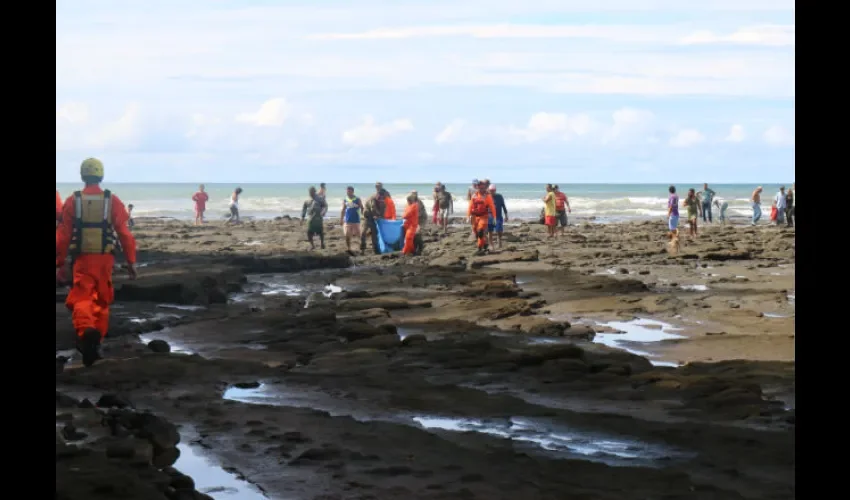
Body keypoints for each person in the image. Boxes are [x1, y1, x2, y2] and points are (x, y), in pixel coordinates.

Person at [56, 158, 138, 367]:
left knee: (81, 297)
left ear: (83, 176)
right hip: (105, 259)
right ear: (100, 176)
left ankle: (86, 332)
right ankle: (96, 343)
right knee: (102, 300)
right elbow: (124, 233)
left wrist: (59, 262)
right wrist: (131, 261)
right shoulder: (113, 201)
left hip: (82, 259)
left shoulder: (73, 201)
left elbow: (63, 235)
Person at [467, 181, 497, 254]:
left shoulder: (487, 196)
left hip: (484, 216)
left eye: (483, 188)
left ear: (485, 188)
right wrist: (468, 216)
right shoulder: (474, 196)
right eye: (479, 188)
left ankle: (479, 248)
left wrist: (494, 217)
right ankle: (485, 245)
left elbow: (492, 207)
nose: (481, 189)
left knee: (480, 231)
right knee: (477, 233)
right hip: (475, 217)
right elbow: (470, 206)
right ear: (477, 187)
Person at [360, 190, 385, 254]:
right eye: (379, 197)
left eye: (382, 197)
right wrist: (376, 215)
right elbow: (373, 208)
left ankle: (376, 250)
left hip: (375, 219)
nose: (381, 199)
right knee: (363, 233)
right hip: (367, 217)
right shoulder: (372, 198)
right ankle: (362, 249)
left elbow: (383, 209)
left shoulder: (382, 200)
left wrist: (381, 217)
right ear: (377, 194)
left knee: (375, 234)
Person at [340, 186, 363, 255]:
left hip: (356, 221)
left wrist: (363, 215)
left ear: (352, 191)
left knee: (359, 235)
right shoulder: (345, 199)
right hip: (348, 220)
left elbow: (362, 208)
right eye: (347, 191)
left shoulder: (357, 199)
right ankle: (349, 248)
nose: (348, 192)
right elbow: (343, 210)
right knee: (347, 235)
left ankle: (361, 248)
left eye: (349, 191)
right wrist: (341, 219)